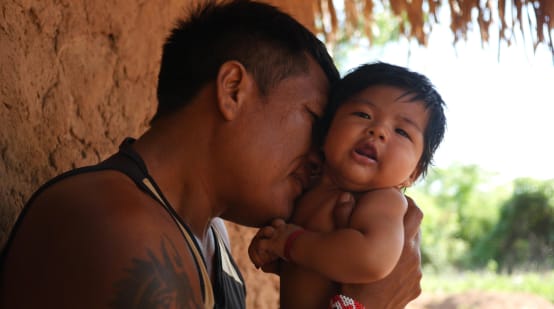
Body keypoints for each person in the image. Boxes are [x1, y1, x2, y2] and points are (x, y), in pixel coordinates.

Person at [0, 1, 423, 308]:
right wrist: (360, 305)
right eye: (314, 120)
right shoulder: (122, 229)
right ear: (233, 90)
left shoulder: (209, 234)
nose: (319, 156)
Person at [249, 62, 446, 309]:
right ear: (327, 130)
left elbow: (371, 259)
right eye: (363, 115)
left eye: (402, 131)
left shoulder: (383, 200)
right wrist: (274, 250)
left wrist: (291, 244)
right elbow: (314, 265)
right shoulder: (309, 188)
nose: (378, 131)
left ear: (413, 174)